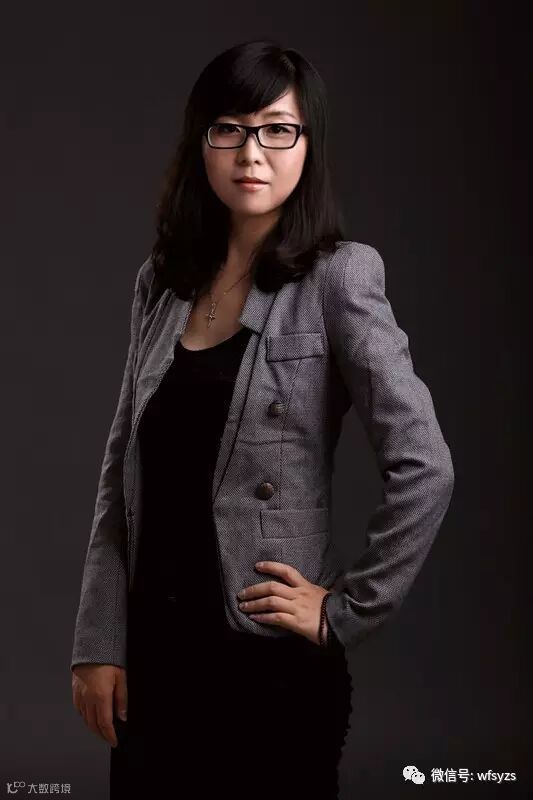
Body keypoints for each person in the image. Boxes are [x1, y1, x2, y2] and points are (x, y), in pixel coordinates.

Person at [70, 39, 454, 799]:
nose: (253, 152)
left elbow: (426, 467)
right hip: (155, 659)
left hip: (268, 664)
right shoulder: (162, 282)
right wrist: (97, 642)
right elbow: (121, 478)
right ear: (202, 142)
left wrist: (347, 609)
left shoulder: (338, 277)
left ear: (308, 144)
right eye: (231, 129)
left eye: (278, 129)